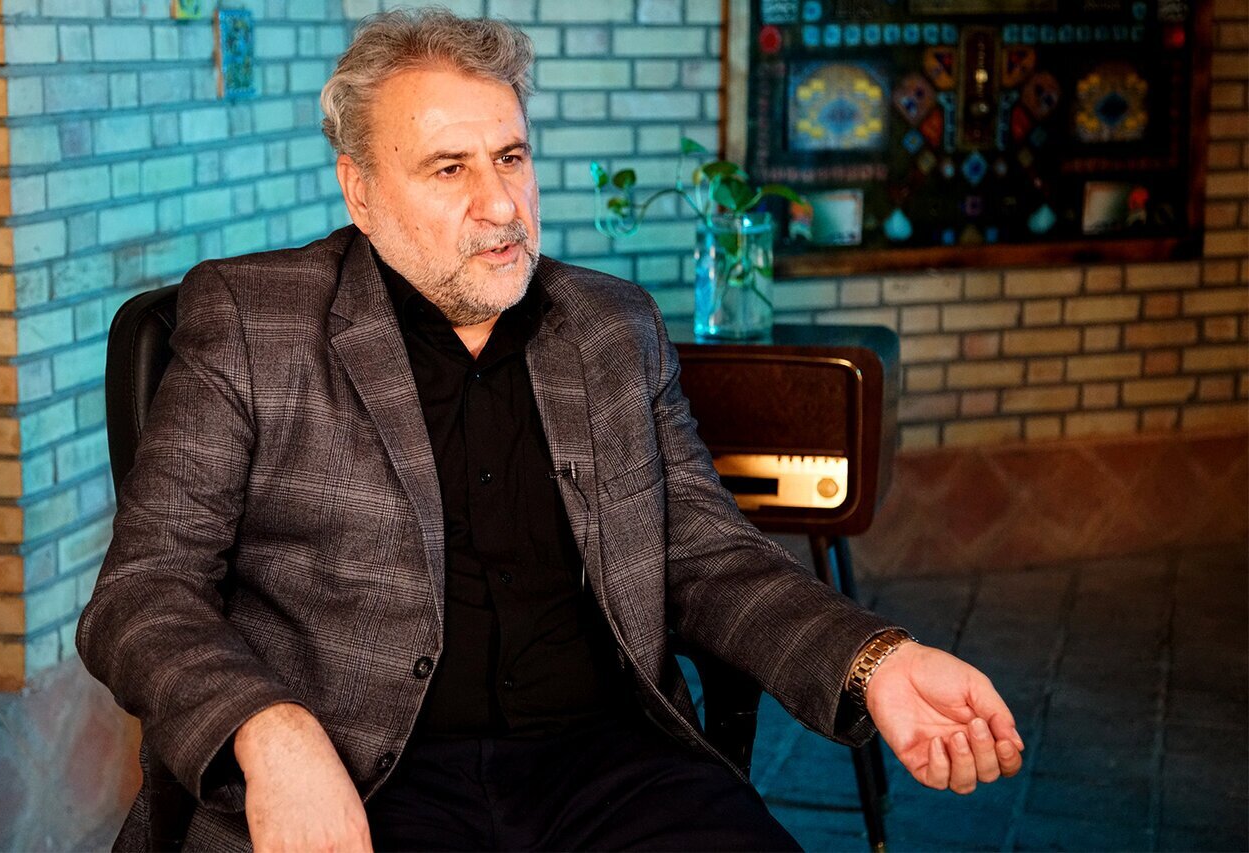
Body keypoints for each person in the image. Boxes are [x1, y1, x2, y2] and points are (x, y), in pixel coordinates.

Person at [77, 10, 1023, 851]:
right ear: (359, 192)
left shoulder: (611, 326)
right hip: (362, 773)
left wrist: (874, 660)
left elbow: (709, 558)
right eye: (449, 168)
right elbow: (143, 591)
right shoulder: (253, 320)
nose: (500, 206)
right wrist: (270, 727)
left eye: (511, 158)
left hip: (612, 768)